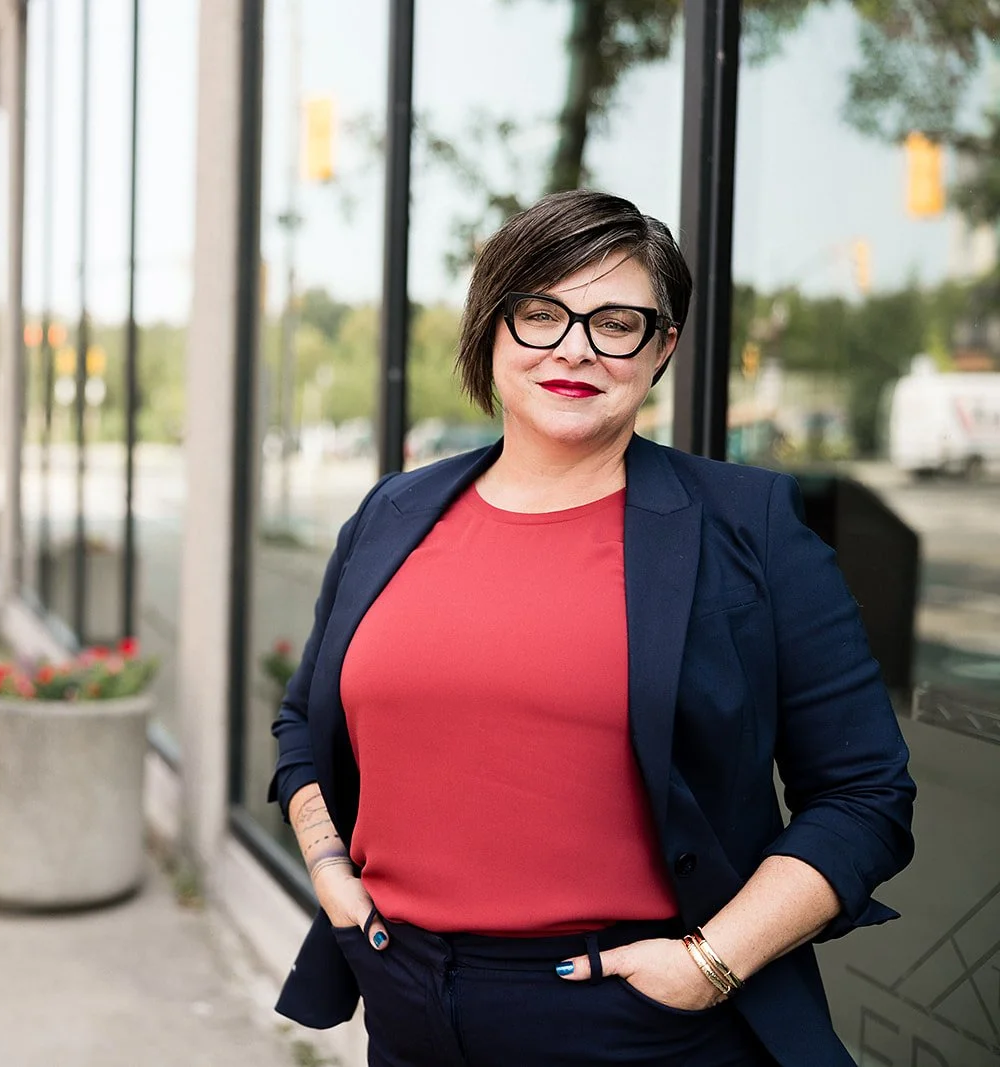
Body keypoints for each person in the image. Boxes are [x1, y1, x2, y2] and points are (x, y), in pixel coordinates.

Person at [267, 189, 914, 1067]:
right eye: (540, 313)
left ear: (663, 347)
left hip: (642, 1022)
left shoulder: (746, 524)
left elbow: (864, 794)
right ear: (490, 328)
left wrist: (710, 965)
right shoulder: (395, 509)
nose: (574, 346)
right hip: (406, 1005)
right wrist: (328, 868)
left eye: (617, 322)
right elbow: (304, 723)